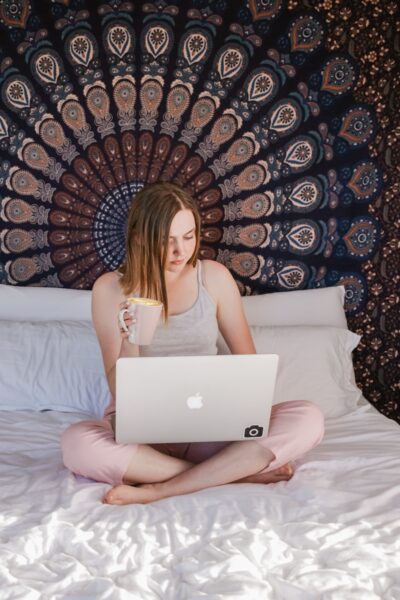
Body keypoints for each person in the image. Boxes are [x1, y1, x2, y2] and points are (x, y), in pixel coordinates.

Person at [61, 182, 324, 505]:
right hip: (143, 431)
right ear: (140, 237)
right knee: (76, 444)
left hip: (210, 425)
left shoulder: (212, 277)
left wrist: (231, 407)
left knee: (307, 417)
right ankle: (233, 473)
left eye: (188, 237)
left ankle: (162, 487)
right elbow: (119, 392)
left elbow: (250, 368)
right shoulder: (111, 289)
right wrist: (131, 341)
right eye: (166, 240)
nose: (180, 252)